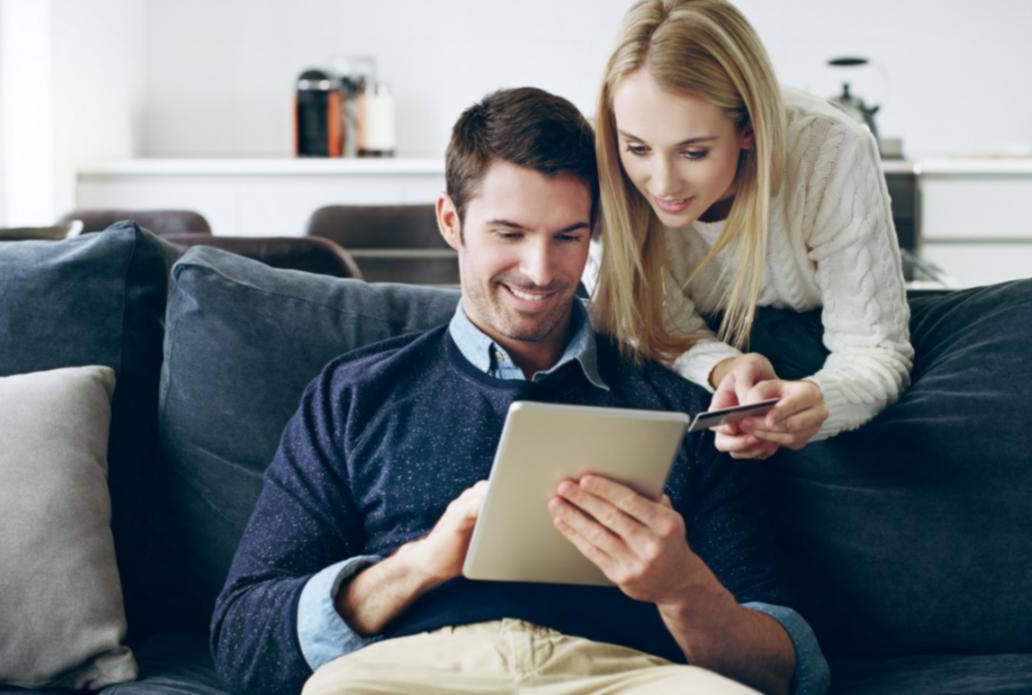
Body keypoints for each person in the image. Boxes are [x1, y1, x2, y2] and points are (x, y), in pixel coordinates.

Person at [211, 87, 828, 695]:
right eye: (509, 234)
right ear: (451, 221)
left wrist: (681, 586)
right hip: (417, 674)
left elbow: (787, 669)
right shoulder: (354, 397)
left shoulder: (681, 403)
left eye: (567, 236)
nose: (540, 271)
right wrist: (419, 566)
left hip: (624, 674)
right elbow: (242, 641)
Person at [590, 0, 913, 459]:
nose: (662, 184)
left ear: (748, 130)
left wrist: (819, 402)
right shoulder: (600, 159)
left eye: (694, 152)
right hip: (712, 351)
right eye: (638, 148)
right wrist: (725, 368)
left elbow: (873, 348)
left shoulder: (831, 149)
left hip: (817, 338)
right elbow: (651, 326)